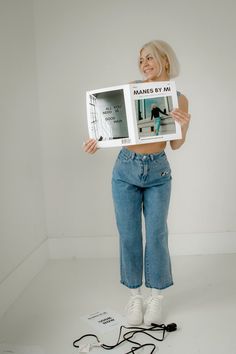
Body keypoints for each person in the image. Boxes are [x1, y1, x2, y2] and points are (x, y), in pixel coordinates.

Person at [83, 40, 191, 326]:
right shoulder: (131, 89)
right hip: (125, 169)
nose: (144, 64)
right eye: (140, 59)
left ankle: (156, 297)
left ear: (165, 61)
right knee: (129, 234)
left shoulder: (179, 98)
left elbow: (176, 145)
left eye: (150, 58)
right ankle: (135, 297)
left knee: (156, 234)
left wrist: (185, 122)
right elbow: (112, 123)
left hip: (158, 172)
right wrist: (97, 138)